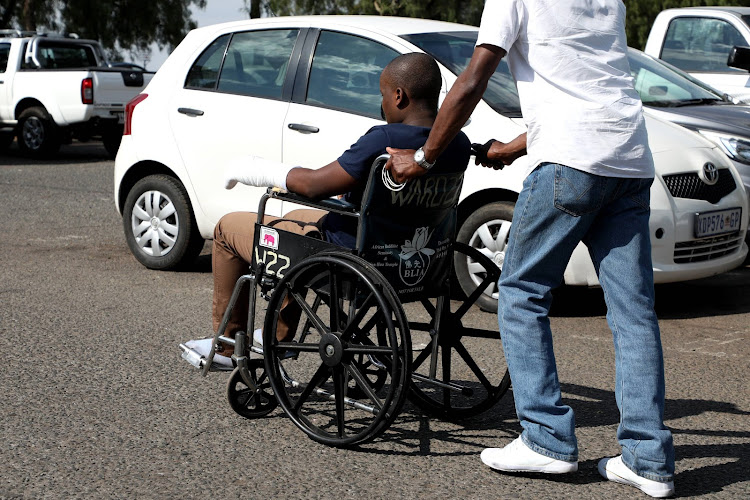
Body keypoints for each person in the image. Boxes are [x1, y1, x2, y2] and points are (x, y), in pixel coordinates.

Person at [385, 1, 675, 497]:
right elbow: (587, 84)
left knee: (520, 291)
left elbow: (473, 79)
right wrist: (515, 146)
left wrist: (426, 157)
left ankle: (545, 440)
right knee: (634, 313)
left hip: (570, 161)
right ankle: (648, 459)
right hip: (628, 159)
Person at [183, 52, 471, 368]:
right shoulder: (456, 143)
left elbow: (314, 186)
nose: (383, 103)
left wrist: (252, 168)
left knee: (226, 229)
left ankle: (227, 347)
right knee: (292, 220)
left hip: (352, 256)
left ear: (399, 96)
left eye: (383, 95)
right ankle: (277, 335)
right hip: (417, 259)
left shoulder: (385, 138)